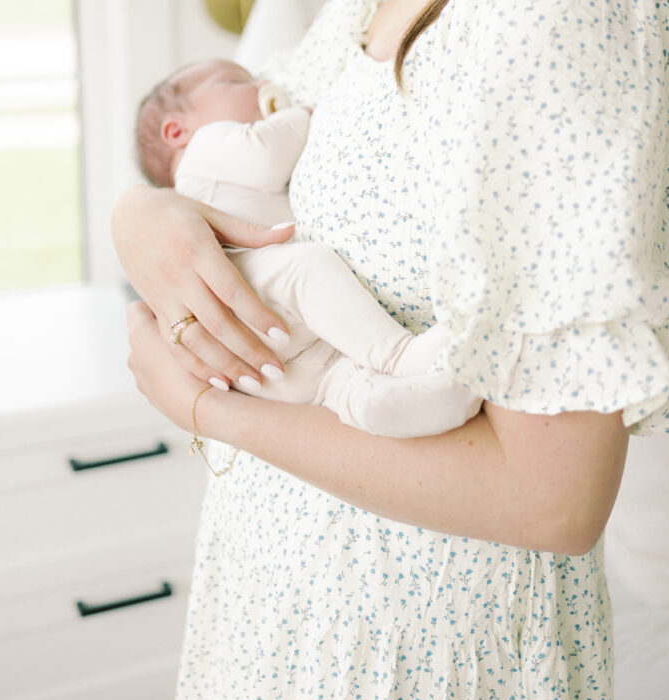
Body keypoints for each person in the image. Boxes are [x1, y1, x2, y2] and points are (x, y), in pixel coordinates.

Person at [111, 0, 669, 700]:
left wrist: (216, 413)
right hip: (276, 614)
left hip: (425, 663)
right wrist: (147, 212)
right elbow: (238, 164)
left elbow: (552, 500)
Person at [134, 57, 482, 436]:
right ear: (175, 131)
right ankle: (399, 354)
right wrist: (297, 115)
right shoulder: (203, 148)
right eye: (235, 80)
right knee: (304, 269)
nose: (263, 81)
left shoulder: (212, 164)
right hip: (249, 290)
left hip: (265, 350)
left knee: (337, 378)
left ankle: (412, 402)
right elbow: (265, 156)